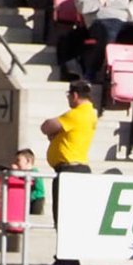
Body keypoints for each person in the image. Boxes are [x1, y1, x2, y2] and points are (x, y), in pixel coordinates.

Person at [42, 80, 97, 226]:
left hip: (69, 169)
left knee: (62, 218)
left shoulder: (76, 114)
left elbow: (46, 127)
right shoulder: (90, 113)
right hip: (77, 168)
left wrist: (53, 134)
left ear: (75, 95)